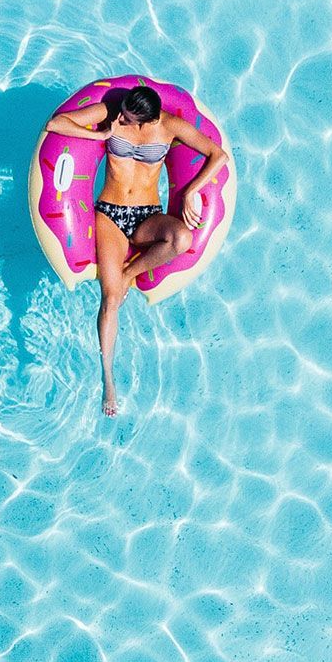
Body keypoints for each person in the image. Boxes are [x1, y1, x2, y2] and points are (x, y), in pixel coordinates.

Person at [43, 80, 231, 416]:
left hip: (147, 215)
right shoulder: (113, 112)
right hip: (110, 214)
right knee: (111, 298)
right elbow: (56, 124)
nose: (122, 120)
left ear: (148, 119)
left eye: (130, 119)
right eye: (123, 114)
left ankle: (130, 271)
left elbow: (218, 155)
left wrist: (191, 191)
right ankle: (108, 379)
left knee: (182, 239)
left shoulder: (170, 126)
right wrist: (100, 136)